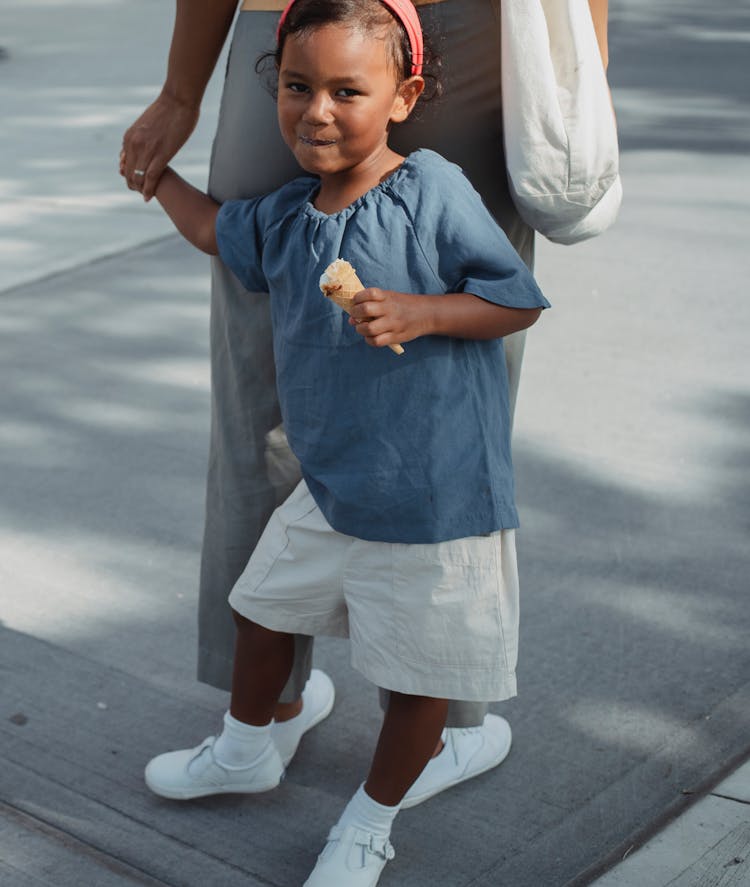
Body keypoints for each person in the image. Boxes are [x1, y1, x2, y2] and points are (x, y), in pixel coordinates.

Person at [121, 0, 609, 804]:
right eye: (299, 94)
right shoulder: (293, 110)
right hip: (286, 17)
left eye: (337, 99)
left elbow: (510, 300)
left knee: (449, 403)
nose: (319, 114)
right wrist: (178, 99)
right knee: (264, 386)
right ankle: (261, 716)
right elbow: (220, 230)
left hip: (482, 31)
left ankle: (445, 721)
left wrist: (581, 79)